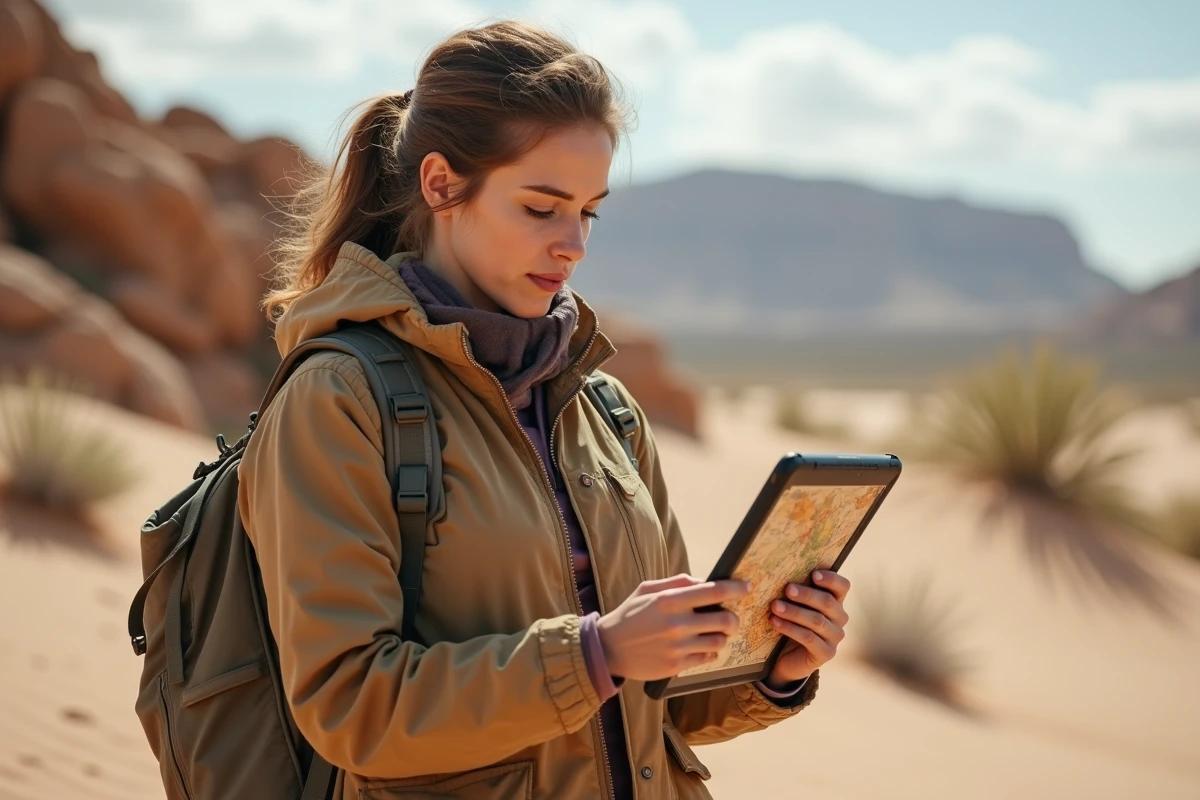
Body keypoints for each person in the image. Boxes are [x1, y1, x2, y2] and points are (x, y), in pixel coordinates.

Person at [238, 20, 852, 800]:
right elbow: (352, 707)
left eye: (589, 212)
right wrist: (595, 653)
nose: (574, 245)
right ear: (440, 184)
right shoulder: (339, 399)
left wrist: (773, 666)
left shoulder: (605, 410)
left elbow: (654, 705)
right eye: (541, 207)